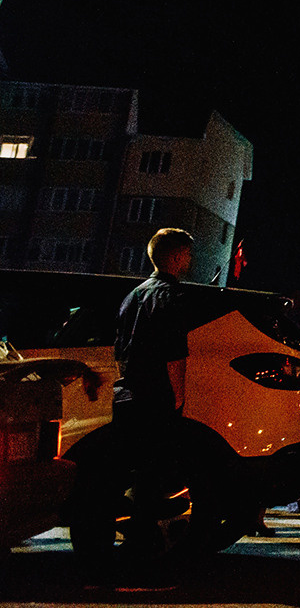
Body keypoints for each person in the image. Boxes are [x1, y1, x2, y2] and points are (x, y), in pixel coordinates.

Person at [78, 227, 196, 582]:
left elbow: (120, 348)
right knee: (150, 477)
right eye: (187, 254)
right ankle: (139, 554)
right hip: (154, 397)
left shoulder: (133, 295)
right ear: (175, 256)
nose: (190, 260)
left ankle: (103, 551)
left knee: (118, 475)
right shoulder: (172, 296)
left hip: (126, 395)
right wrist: (178, 395)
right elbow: (175, 353)